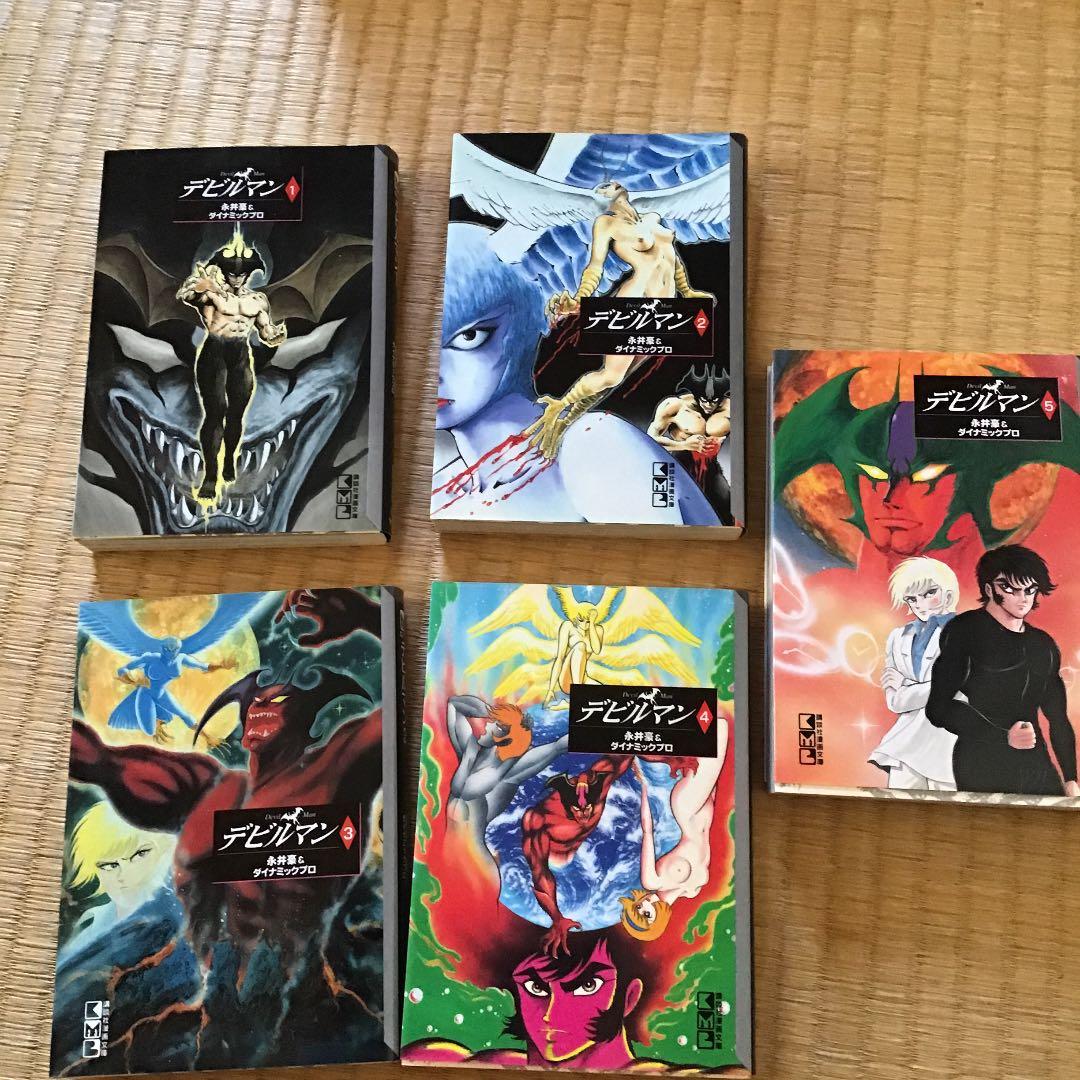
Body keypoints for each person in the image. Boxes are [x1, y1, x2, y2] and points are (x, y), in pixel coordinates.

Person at [925, 545, 1080, 796]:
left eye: (1029, 589)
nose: (1023, 598)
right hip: (982, 762)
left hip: (1034, 761)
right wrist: (1002, 736)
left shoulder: (1042, 645)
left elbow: (1058, 718)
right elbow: (938, 707)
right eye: (1010, 589)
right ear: (989, 589)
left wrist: (1071, 778)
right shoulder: (965, 630)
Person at [176, 225, 287, 501]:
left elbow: (266, 331)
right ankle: (211, 476)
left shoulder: (257, 300)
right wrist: (199, 285)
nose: (236, 278)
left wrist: (275, 335)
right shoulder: (213, 295)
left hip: (240, 355)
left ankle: (228, 461)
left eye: (241, 274)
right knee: (215, 413)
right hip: (214, 353)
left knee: (236, 414)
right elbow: (187, 296)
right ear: (224, 272)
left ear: (249, 275)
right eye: (232, 273)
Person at [869, 557, 960, 790]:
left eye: (929, 593)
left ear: (948, 594)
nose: (921, 604)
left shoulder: (965, 633)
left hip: (950, 742)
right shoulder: (898, 637)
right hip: (906, 744)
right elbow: (895, 702)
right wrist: (923, 689)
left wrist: (905, 684)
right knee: (901, 805)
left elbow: (955, 688)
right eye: (912, 598)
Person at [59, 800, 174, 962]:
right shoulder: (88, 936)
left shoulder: (188, 919)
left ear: (165, 852)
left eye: (140, 854)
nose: (125, 875)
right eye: (110, 865)